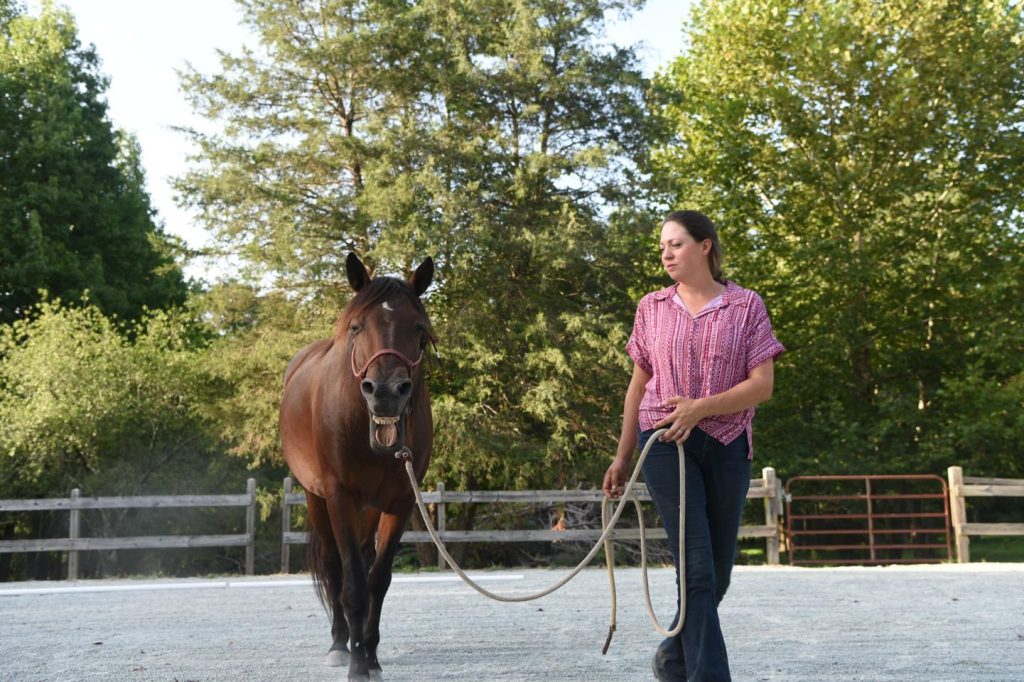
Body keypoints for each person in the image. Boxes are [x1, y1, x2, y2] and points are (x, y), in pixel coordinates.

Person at [602, 210, 784, 681]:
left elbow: (762, 385)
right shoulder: (652, 307)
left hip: (726, 444)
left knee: (717, 571)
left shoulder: (746, 307)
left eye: (676, 243)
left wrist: (701, 408)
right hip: (664, 443)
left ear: (705, 246)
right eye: (662, 245)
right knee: (697, 568)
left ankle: (674, 654)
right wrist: (623, 457)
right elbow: (637, 387)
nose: (665, 253)